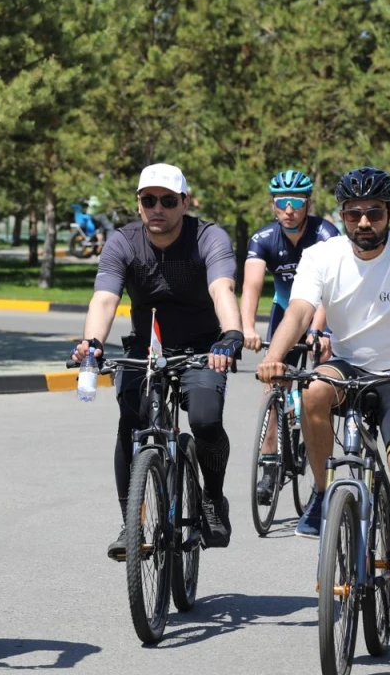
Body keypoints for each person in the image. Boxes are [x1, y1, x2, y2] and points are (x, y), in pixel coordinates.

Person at [257, 167, 390, 638]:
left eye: (373, 213)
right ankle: (325, 494)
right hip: (347, 366)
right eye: (354, 214)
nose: (364, 222)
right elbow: (301, 309)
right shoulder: (323, 254)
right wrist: (274, 356)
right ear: (342, 215)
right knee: (314, 389)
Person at [71, 163, 242, 560]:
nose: (157, 208)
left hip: (204, 348)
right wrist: (92, 342)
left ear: (184, 202)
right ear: (139, 204)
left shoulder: (208, 237)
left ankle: (213, 498)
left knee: (204, 421)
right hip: (146, 350)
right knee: (130, 423)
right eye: (149, 200)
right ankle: (131, 523)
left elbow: (222, 287)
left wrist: (230, 334)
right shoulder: (123, 242)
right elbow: (105, 298)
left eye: (168, 200)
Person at [242, 169, 339, 502]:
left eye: (296, 202)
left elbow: (330, 291)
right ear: (273, 205)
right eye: (282, 202)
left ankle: (320, 467)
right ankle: (270, 464)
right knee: (273, 385)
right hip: (286, 313)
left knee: (320, 383)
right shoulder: (263, 239)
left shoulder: (327, 234)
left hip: (322, 313)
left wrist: (318, 330)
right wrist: (247, 328)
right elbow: (252, 286)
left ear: (308, 204)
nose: (289, 209)